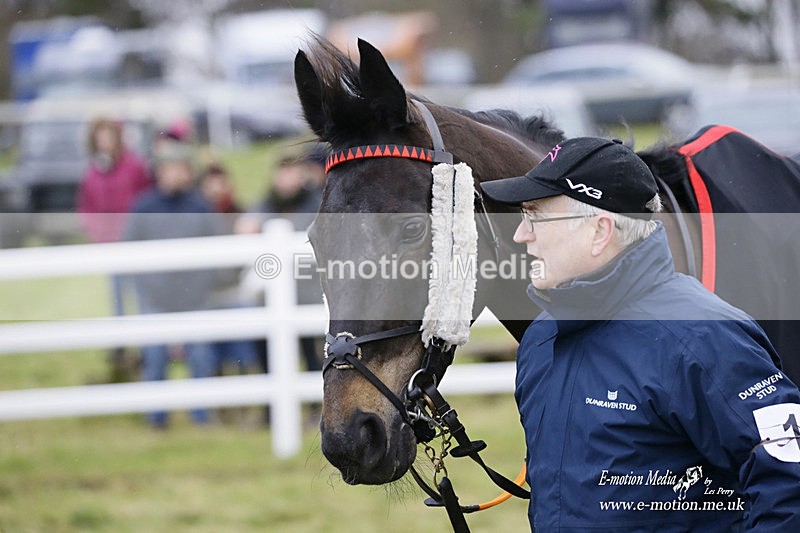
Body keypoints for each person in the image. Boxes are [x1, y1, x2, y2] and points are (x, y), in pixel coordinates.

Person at [480, 137, 800, 531]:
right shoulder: (542, 339)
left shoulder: (703, 338)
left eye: (536, 216)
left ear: (599, 232)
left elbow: (789, 483)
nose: (521, 236)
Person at [123, 140, 224, 429]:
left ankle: (201, 417)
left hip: (195, 299)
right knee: (153, 359)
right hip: (155, 299)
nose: (179, 174)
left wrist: (197, 288)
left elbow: (216, 251)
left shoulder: (201, 206)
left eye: (183, 167)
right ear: (160, 171)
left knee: (201, 359)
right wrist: (152, 288)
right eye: (172, 168)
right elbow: (129, 252)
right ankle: (156, 419)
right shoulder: (142, 206)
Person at [78, 116, 152, 382]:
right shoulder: (93, 171)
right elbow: (87, 208)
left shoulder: (134, 166)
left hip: (135, 245)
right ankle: (122, 351)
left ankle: (148, 349)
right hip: (110, 248)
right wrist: (98, 233)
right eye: (100, 137)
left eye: (108, 135)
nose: (104, 141)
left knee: (143, 298)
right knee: (117, 298)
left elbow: (145, 200)